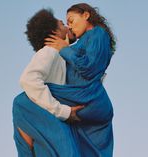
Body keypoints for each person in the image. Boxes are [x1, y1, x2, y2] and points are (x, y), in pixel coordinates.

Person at [44, 3, 116, 157]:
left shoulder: (99, 34)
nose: (69, 26)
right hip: (77, 97)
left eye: (71, 20)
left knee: (32, 96)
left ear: (86, 15)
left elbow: (89, 68)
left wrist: (64, 49)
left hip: (87, 96)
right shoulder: (78, 43)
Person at [13, 9, 82, 157]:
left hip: (48, 122)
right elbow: (28, 79)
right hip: (50, 118)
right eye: (63, 24)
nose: (68, 26)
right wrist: (63, 111)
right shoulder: (49, 51)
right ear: (54, 32)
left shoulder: (61, 54)